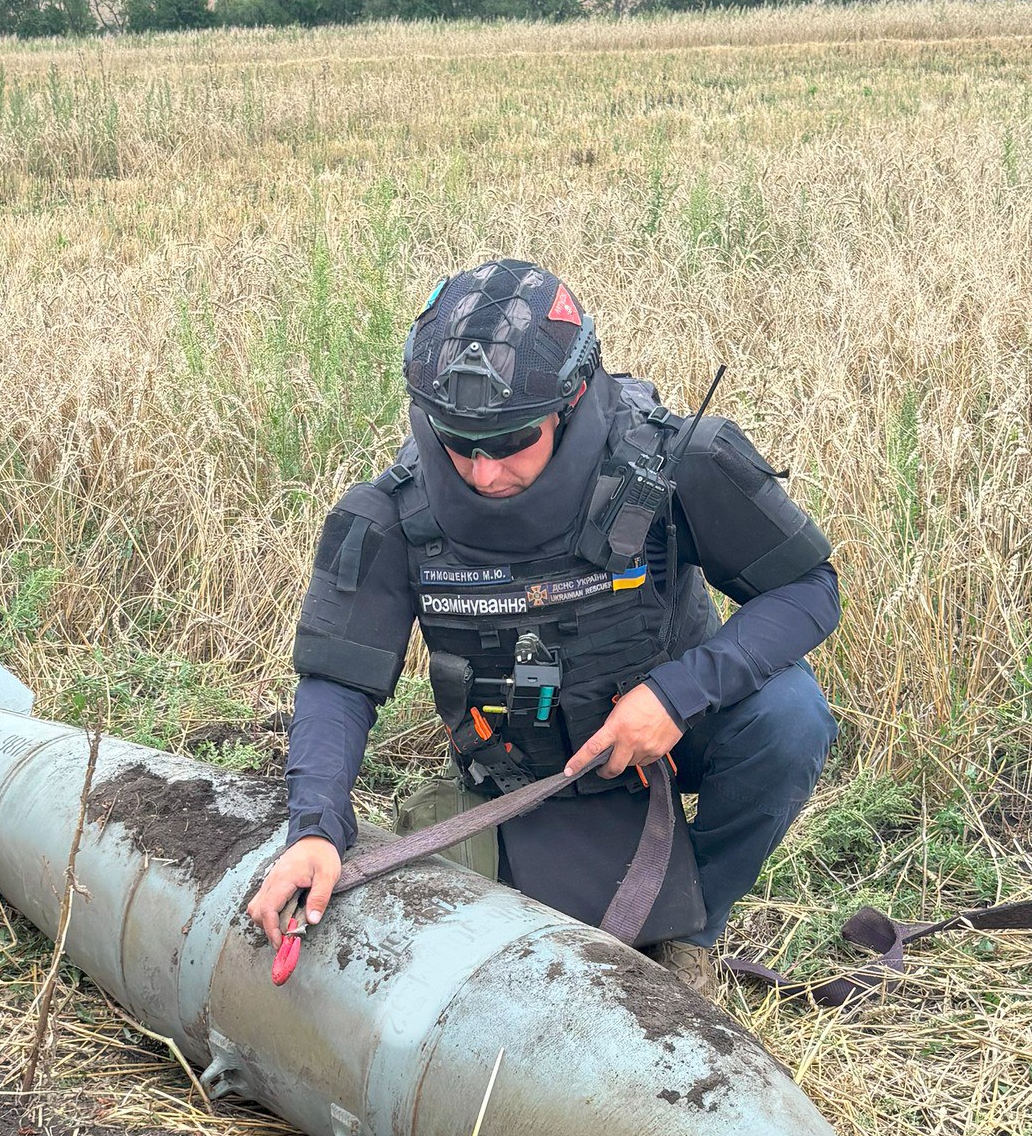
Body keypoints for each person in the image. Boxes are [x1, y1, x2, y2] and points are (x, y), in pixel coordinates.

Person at [246, 259, 840, 991]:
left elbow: (811, 588)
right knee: (524, 979)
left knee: (790, 718)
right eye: (458, 442)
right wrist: (314, 828)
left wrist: (677, 694)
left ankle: (694, 933)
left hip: (677, 729)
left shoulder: (677, 463)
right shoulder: (391, 516)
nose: (483, 472)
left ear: (572, 400)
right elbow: (338, 684)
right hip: (529, 770)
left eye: (510, 441)